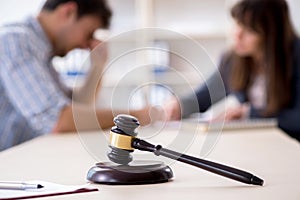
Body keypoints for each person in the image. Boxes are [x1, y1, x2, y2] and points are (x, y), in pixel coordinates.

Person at [0, 0, 150, 151]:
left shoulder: (42, 52)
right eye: (89, 33)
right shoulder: (15, 41)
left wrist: (97, 66)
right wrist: (136, 117)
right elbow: (58, 120)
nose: (86, 44)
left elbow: (77, 107)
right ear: (68, 11)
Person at [164, 0, 300, 141]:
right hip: (257, 143)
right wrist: (180, 105)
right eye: (238, 24)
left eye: (249, 29)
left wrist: (248, 113)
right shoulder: (233, 60)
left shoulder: (296, 56)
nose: (237, 34)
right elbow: (204, 96)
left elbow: (297, 119)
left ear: (272, 32)